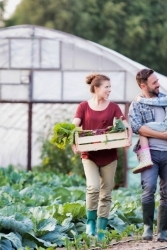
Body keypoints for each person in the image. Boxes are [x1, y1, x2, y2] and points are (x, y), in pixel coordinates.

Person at [128, 68, 167, 242]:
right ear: (143, 85)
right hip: (149, 153)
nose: (159, 84)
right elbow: (136, 127)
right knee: (148, 189)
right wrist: (162, 135)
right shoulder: (137, 104)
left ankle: (163, 231)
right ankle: (148, 227)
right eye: (154, 82)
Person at [71, 73, 132, 240]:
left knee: (106, 193)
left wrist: (128, 136)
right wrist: (72, 140)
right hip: (89, 154)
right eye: (107, 87)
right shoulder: (83, 107)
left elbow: (125, 125)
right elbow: (74, 127)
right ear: (96, 88)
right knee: (93, 187)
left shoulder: (113, 107)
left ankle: (101, 230)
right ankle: (90, 224)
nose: (109, 90)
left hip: (109, 156)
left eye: (110, 87)